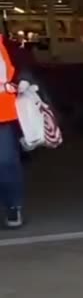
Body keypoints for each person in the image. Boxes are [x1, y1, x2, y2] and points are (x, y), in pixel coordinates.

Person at [0, 35, 31, 229]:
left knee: (5, 162)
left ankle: (13, 206)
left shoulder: (6, 45)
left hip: (3, 115)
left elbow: (25, 65)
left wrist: (24, 79)